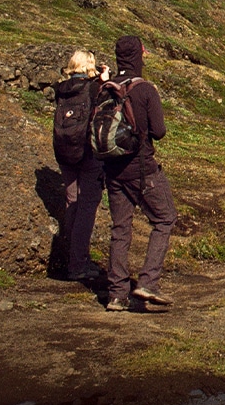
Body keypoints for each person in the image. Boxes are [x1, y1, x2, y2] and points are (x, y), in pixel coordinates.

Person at [101, 35, 177, 312]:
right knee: (165, 218)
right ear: (138, 55)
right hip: (142, 171)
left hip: (112, 171)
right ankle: (148, 282)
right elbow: (159, 131)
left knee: (121, 230)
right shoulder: (145, 90)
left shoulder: (105, 89)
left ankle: (116, 295)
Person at [53, 49, 109, 281]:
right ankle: (78, 263)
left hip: (64, 152)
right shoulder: (93, 87)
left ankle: (70, 257)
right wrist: (103, 80)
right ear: (88, 66)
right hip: (87, 153)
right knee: (87, 206)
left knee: (72, 202)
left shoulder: (61, 90)